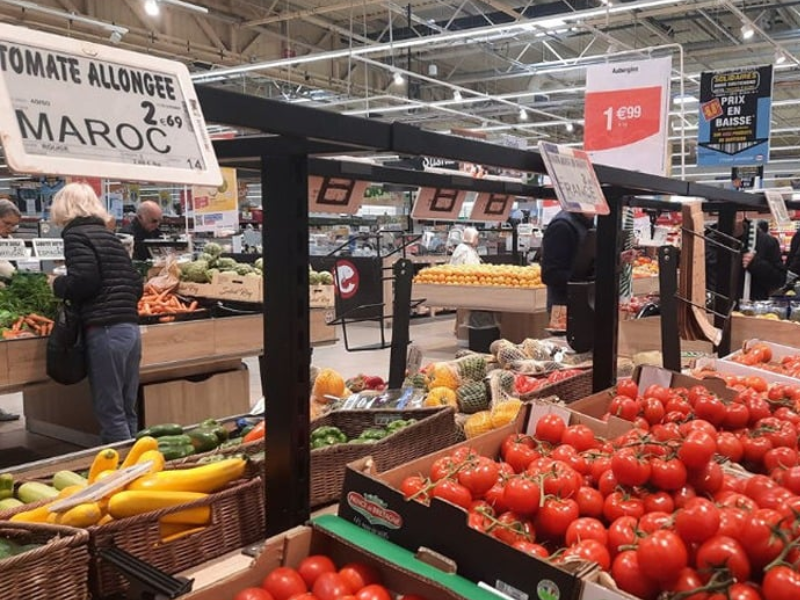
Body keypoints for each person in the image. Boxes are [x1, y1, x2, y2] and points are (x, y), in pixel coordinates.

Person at [50, 183, 144, 443]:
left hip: (105, 329)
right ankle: (139, 463)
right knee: (126, 406)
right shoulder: (109, 237)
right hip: (130, 329)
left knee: (110, 408)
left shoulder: (76, 235)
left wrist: (56, 284)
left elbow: (84, 281)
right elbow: (136, 284)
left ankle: (124, 473)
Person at [706, 217, 785, 302]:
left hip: (751, 311)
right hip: (713, 309)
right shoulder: (706, 242)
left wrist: (756, 264)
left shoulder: (765, 241)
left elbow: (778, 281)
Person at [540, 210, 594, 313]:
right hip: (563, 309)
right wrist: (585, 280)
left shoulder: (586, 223)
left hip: (583, 305)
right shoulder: (562, 226)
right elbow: (550, 274)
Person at [0, 198, 21, 421]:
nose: (9, 229)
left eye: (12, 225)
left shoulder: (7, 239)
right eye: (6, 223)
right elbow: (6, 270)